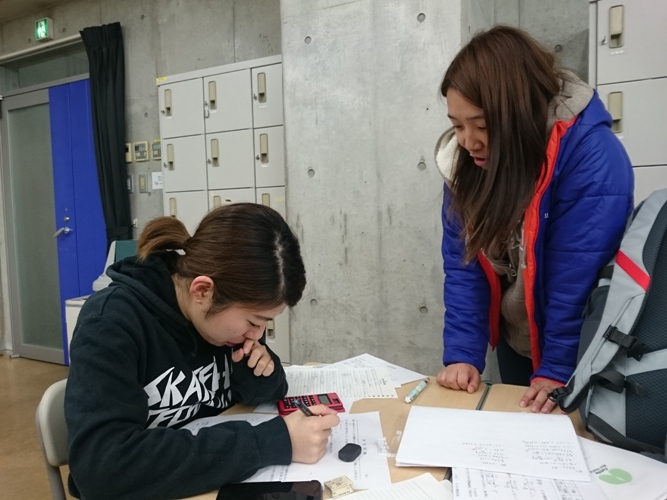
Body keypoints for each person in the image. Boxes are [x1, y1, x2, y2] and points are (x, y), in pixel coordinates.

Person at [65, 203, 340, 500]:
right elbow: (102, 468)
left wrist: (258, 370)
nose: (257, 335)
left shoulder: (223, 328)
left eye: (265, 323)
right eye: (253, 322)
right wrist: (273, 441)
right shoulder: (110, 323)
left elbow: (263, 394)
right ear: (203, 291)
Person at [434, 26, 634, 413]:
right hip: (518, 337)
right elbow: (463, 266)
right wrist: (462, 354)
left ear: (520, 111)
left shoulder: (591, 156)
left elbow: (576, 275)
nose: (468, 142)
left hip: (580, 348)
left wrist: (557, 367)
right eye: (457, 125)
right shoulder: (466, 164)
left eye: (483, 126)